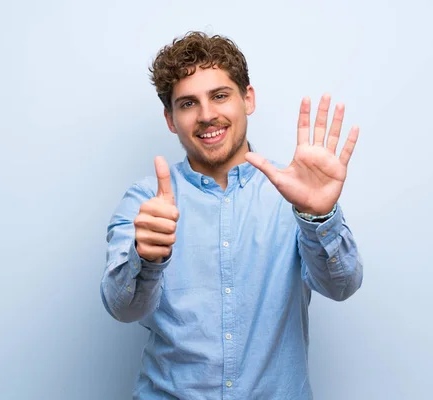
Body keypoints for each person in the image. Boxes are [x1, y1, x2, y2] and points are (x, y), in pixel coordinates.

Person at [101, 31, 364, 400]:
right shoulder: (145, 202)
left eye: (220, 96)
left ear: (248, 99)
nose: (207, 115)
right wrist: (146, 258)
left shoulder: (294, 191)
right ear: (170, 119)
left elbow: (342, 286)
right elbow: (122, 308)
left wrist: (318, 216)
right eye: (188, 103)